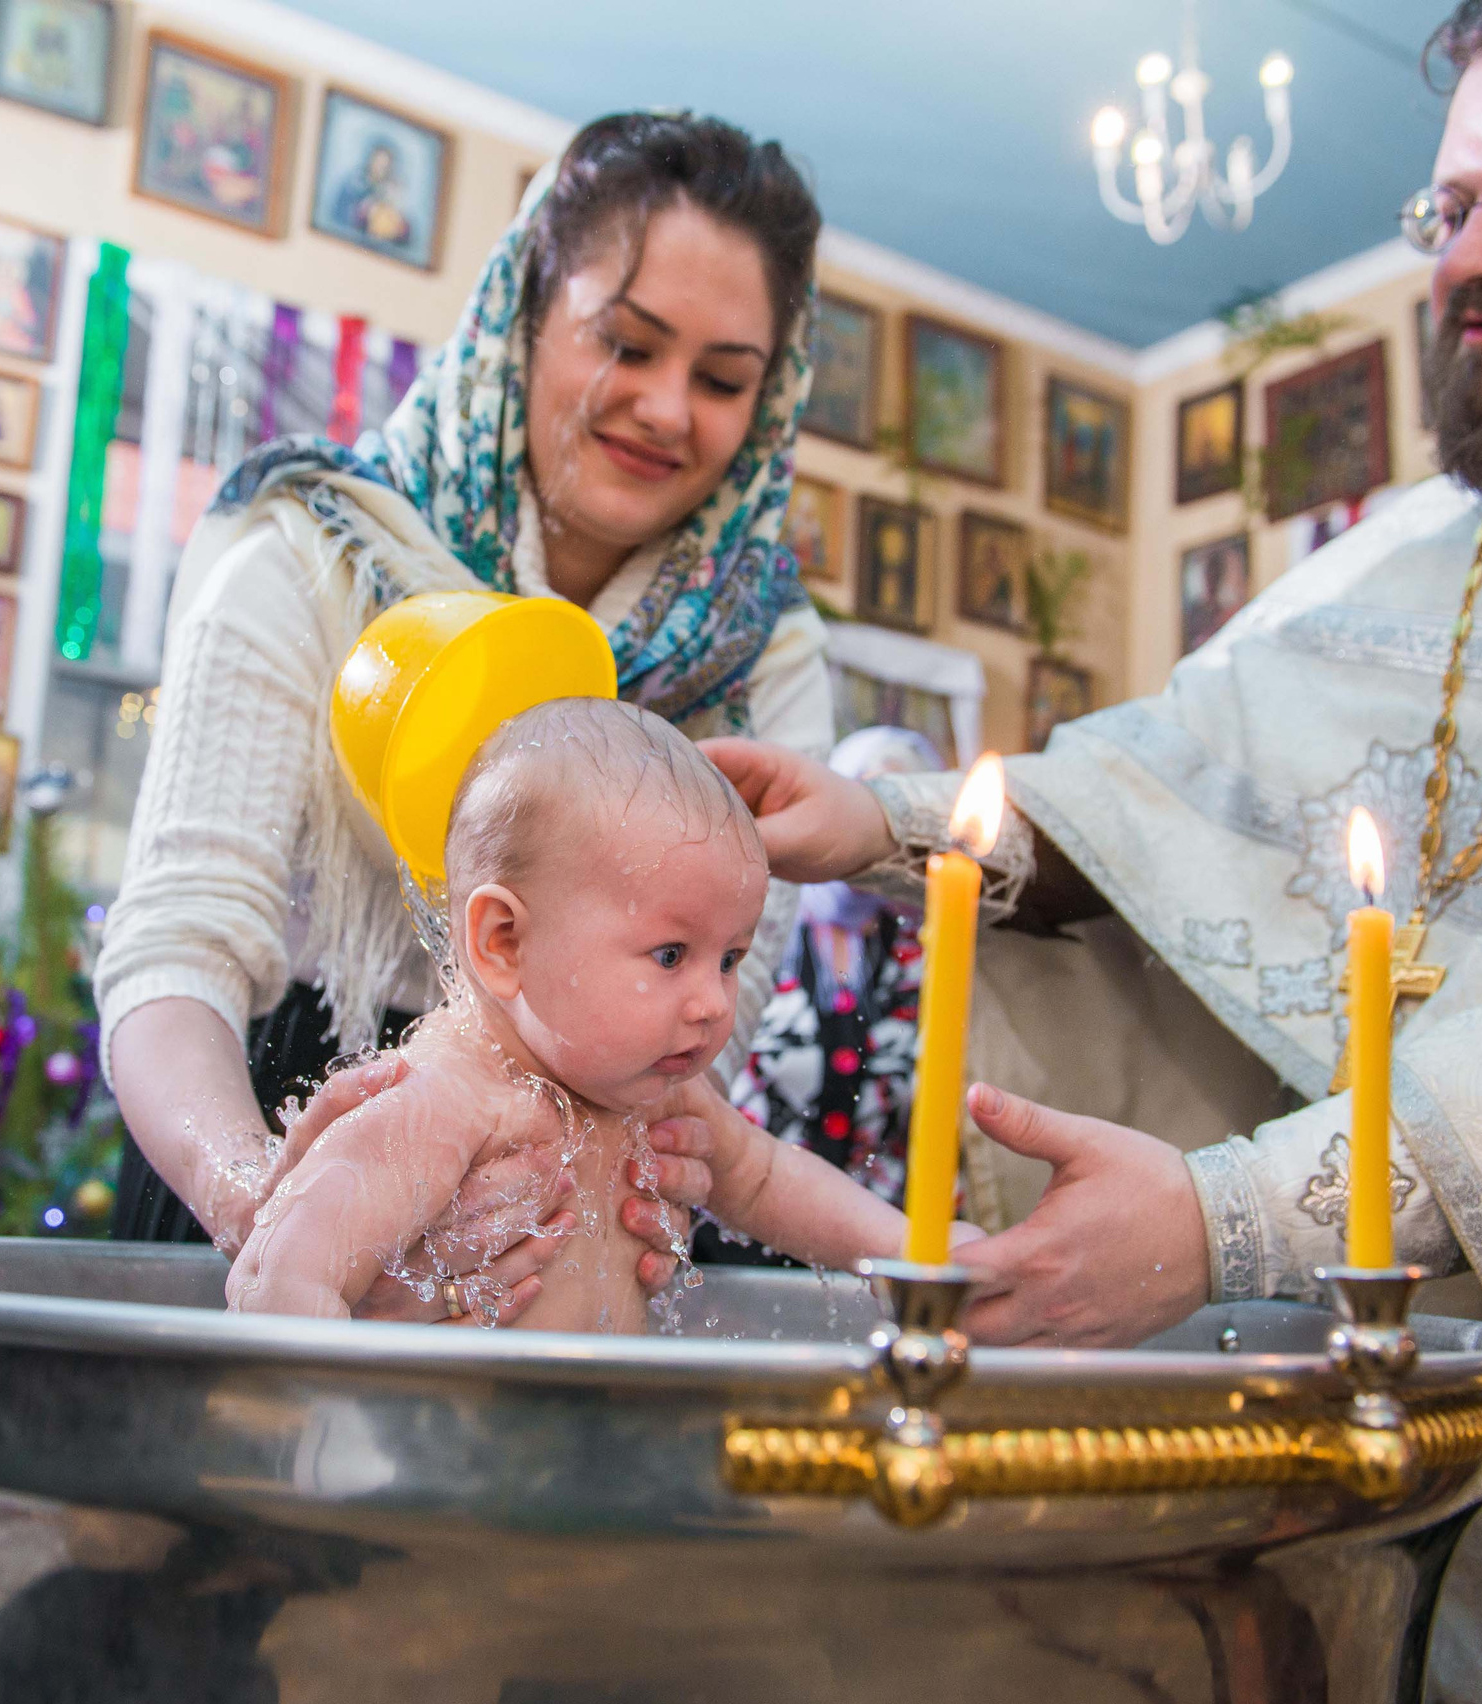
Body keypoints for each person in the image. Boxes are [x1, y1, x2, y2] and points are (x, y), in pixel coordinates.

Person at [693, 3, 1482, 1703]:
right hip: (1362, 1470)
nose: (1468, 262)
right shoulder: (1410, 547)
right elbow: (1166, 775)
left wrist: (1234, 1219)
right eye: (1452, 206)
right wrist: (882, 821)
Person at [97, 113, 834, 1326]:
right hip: (275, 1131)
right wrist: (269, 1201)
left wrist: (607, 1174)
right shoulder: (310, 548)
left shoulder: (767, 650)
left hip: (569, 1194)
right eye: (626, 343)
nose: (663, 407)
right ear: (524, 313)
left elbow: (710, 1008)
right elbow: (176, 946)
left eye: (719, 379)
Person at [228, 701, 927, 1326]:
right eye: (670, 954)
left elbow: (766, 1177)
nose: (714, 1003)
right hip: (437, 1461)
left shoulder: (652, 1091)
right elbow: (277, 1277)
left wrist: (921, 1252)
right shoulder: (439, 1103)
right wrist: (328, 1436)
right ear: (504, 941)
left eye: (730, 957)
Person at [702, 725, 940, 1266]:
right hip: (736, 1247)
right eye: (871, 798)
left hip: (877, 1257)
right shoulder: (760, 934)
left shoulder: (922, 949)